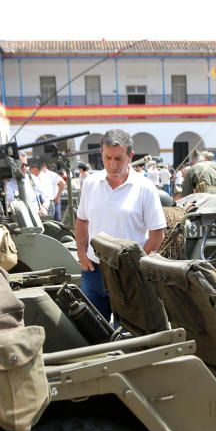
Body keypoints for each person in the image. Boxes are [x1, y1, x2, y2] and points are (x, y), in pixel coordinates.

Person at [75, 129, 166, 319]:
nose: (112, 164)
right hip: (94, 271)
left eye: (118, 158)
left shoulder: (145, 187)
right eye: (107, 158)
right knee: (93, 332)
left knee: (128, 335)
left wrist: (136, 268)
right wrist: (82, 254)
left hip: (129, 276)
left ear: (130, 156)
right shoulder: (90, 183)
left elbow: (157, 233)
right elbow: (82, 220)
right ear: (101, 153)